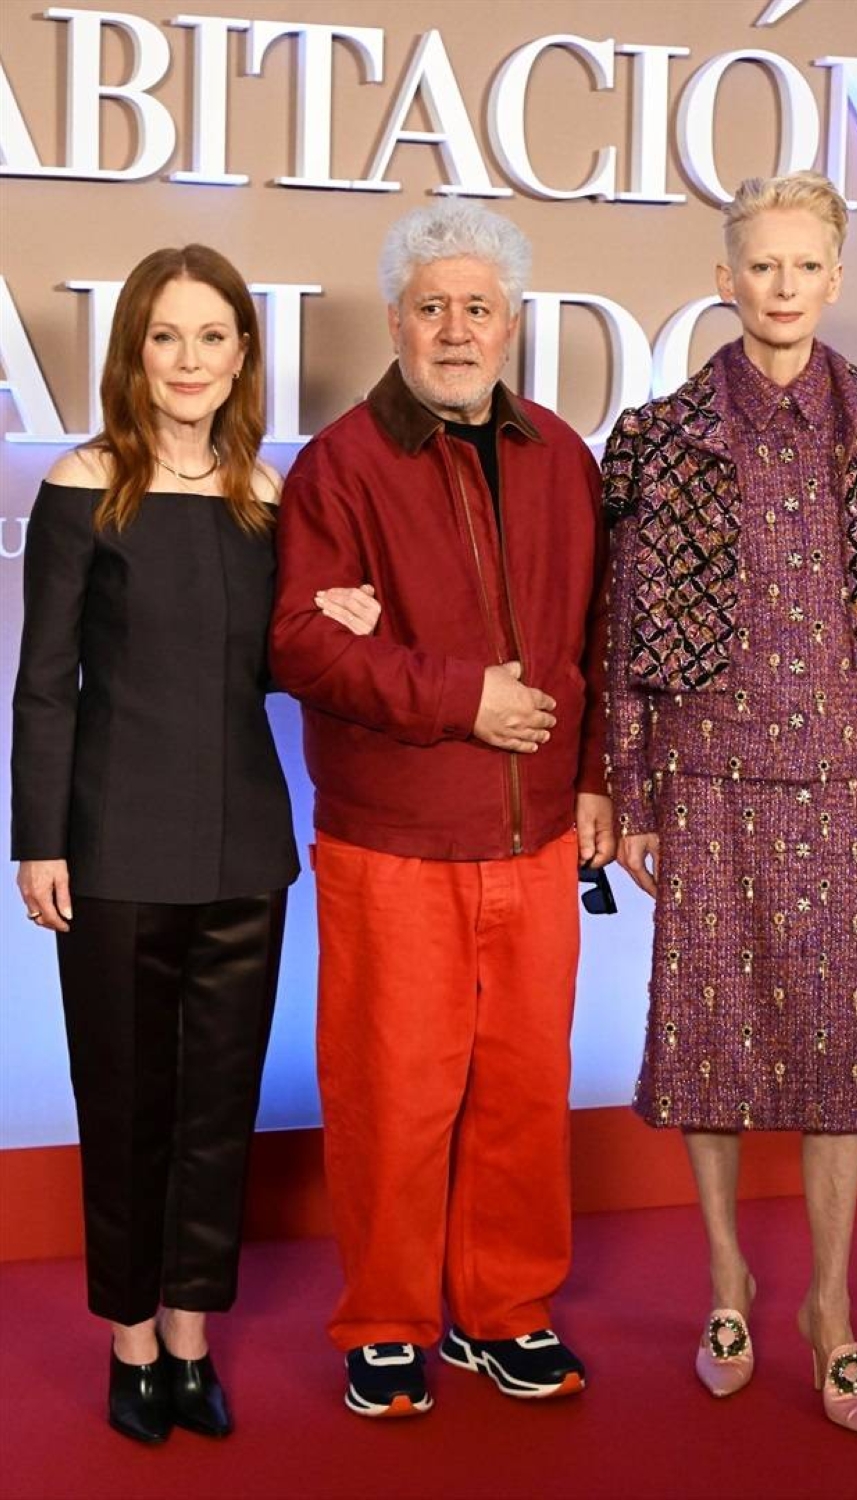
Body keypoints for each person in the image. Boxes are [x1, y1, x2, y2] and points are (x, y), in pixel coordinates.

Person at [603, 172, 857, 1438]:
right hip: (703, 779)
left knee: (838, 1055)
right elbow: (623, 633)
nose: (781, 287)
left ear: (834, 279)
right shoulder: (661, 436)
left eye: (803, 266)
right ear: (723, 277)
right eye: (759, 266)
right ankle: (726, 1285)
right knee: (707, 1054)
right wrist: (632, 791)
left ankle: (833, 1311)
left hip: (851, 777)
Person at [10, 244, 378, 1445]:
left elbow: (270, 667)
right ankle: (126, 1343)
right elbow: (45, 687)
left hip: (241, 850)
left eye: (210, 336)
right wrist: (38, 842)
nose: (188, 360)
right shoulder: (79, 485)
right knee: (124, 1103)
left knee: (217, 1106)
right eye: (165, 336)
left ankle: (187, 1339)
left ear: (241, 355)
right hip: (109, 847)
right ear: (134, 351)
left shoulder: (268, 500)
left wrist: (338, 617)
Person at [270, 201, 614, 1418]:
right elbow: (302, 643)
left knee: (524, 1086)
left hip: (538, 840)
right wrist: (464, 698)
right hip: (393, 841)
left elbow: (597, 642)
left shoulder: (563, 456)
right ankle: (384, 1321)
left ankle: (505, 1309)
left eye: (476, 307)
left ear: (510, 321)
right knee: (393, 1092)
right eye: (432, 307)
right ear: (395, 321)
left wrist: (595, 778)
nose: (455, 329)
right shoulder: (338, 466)